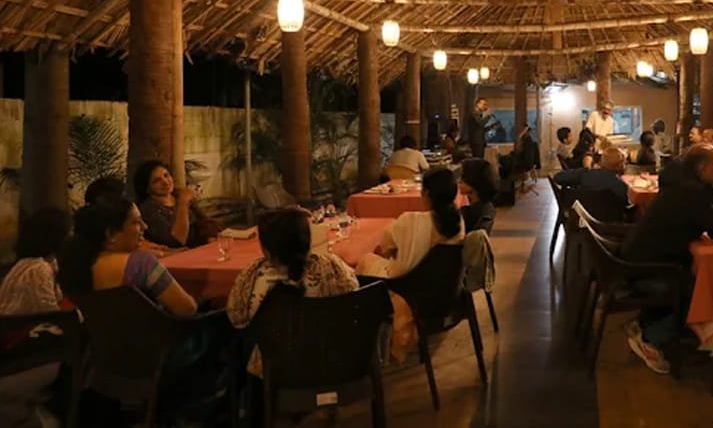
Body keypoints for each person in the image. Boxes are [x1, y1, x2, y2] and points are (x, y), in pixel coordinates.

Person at [621, 144, 713, 374]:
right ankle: (651, 339)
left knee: (697, 280)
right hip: (649, 269)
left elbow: (704, 217)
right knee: (703, 290)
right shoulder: (691, 192)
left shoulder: (682, 187)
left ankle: (648, 325)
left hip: (638, 260)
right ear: (702, 168)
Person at [227, 207, 358, 377]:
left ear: (266, 249)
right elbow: (353, 297)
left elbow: (236, 319)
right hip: (333, 361)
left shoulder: (252, 277)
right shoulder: (332, 267)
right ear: (308, 239)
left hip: (277, 370)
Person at [58, 195, 197, 316]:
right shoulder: (141, 264)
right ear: (111, 234)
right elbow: (187, 309)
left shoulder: (74, 266)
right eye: (136, 222)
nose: (145, 227)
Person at [0, 209, 73, 428]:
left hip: (22, 336)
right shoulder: (37, 268)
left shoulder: (30, 263)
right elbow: (51, 314)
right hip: (18, 344)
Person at [356, 167, 466, 279]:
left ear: (426, 192)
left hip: (404, 283)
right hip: (444, 283)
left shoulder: (409, 220)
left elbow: (385, 249)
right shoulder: (459, 222)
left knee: (366, 260)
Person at [134, 160, 220, 249]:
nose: (165, 182)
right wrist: (183, 203)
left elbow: (206, 221)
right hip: (176, 253)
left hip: (201, 248)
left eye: (166, 175)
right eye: (157, 181)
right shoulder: (147, 209)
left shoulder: (178, 195)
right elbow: (177, 241)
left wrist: (209, 237)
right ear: (147, 188)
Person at [553, 146, 630, 212]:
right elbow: (627, 203)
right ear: (620, 166)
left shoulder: (585, 174)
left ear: (601, 161)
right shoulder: (619, 185)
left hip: (583, 218)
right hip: (610, 221)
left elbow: (558, 177)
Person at [458, 158, 498, 234]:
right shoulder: (487, 207)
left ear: (474, 182)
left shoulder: (470, 214)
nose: (459, 181)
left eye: (462, 178)